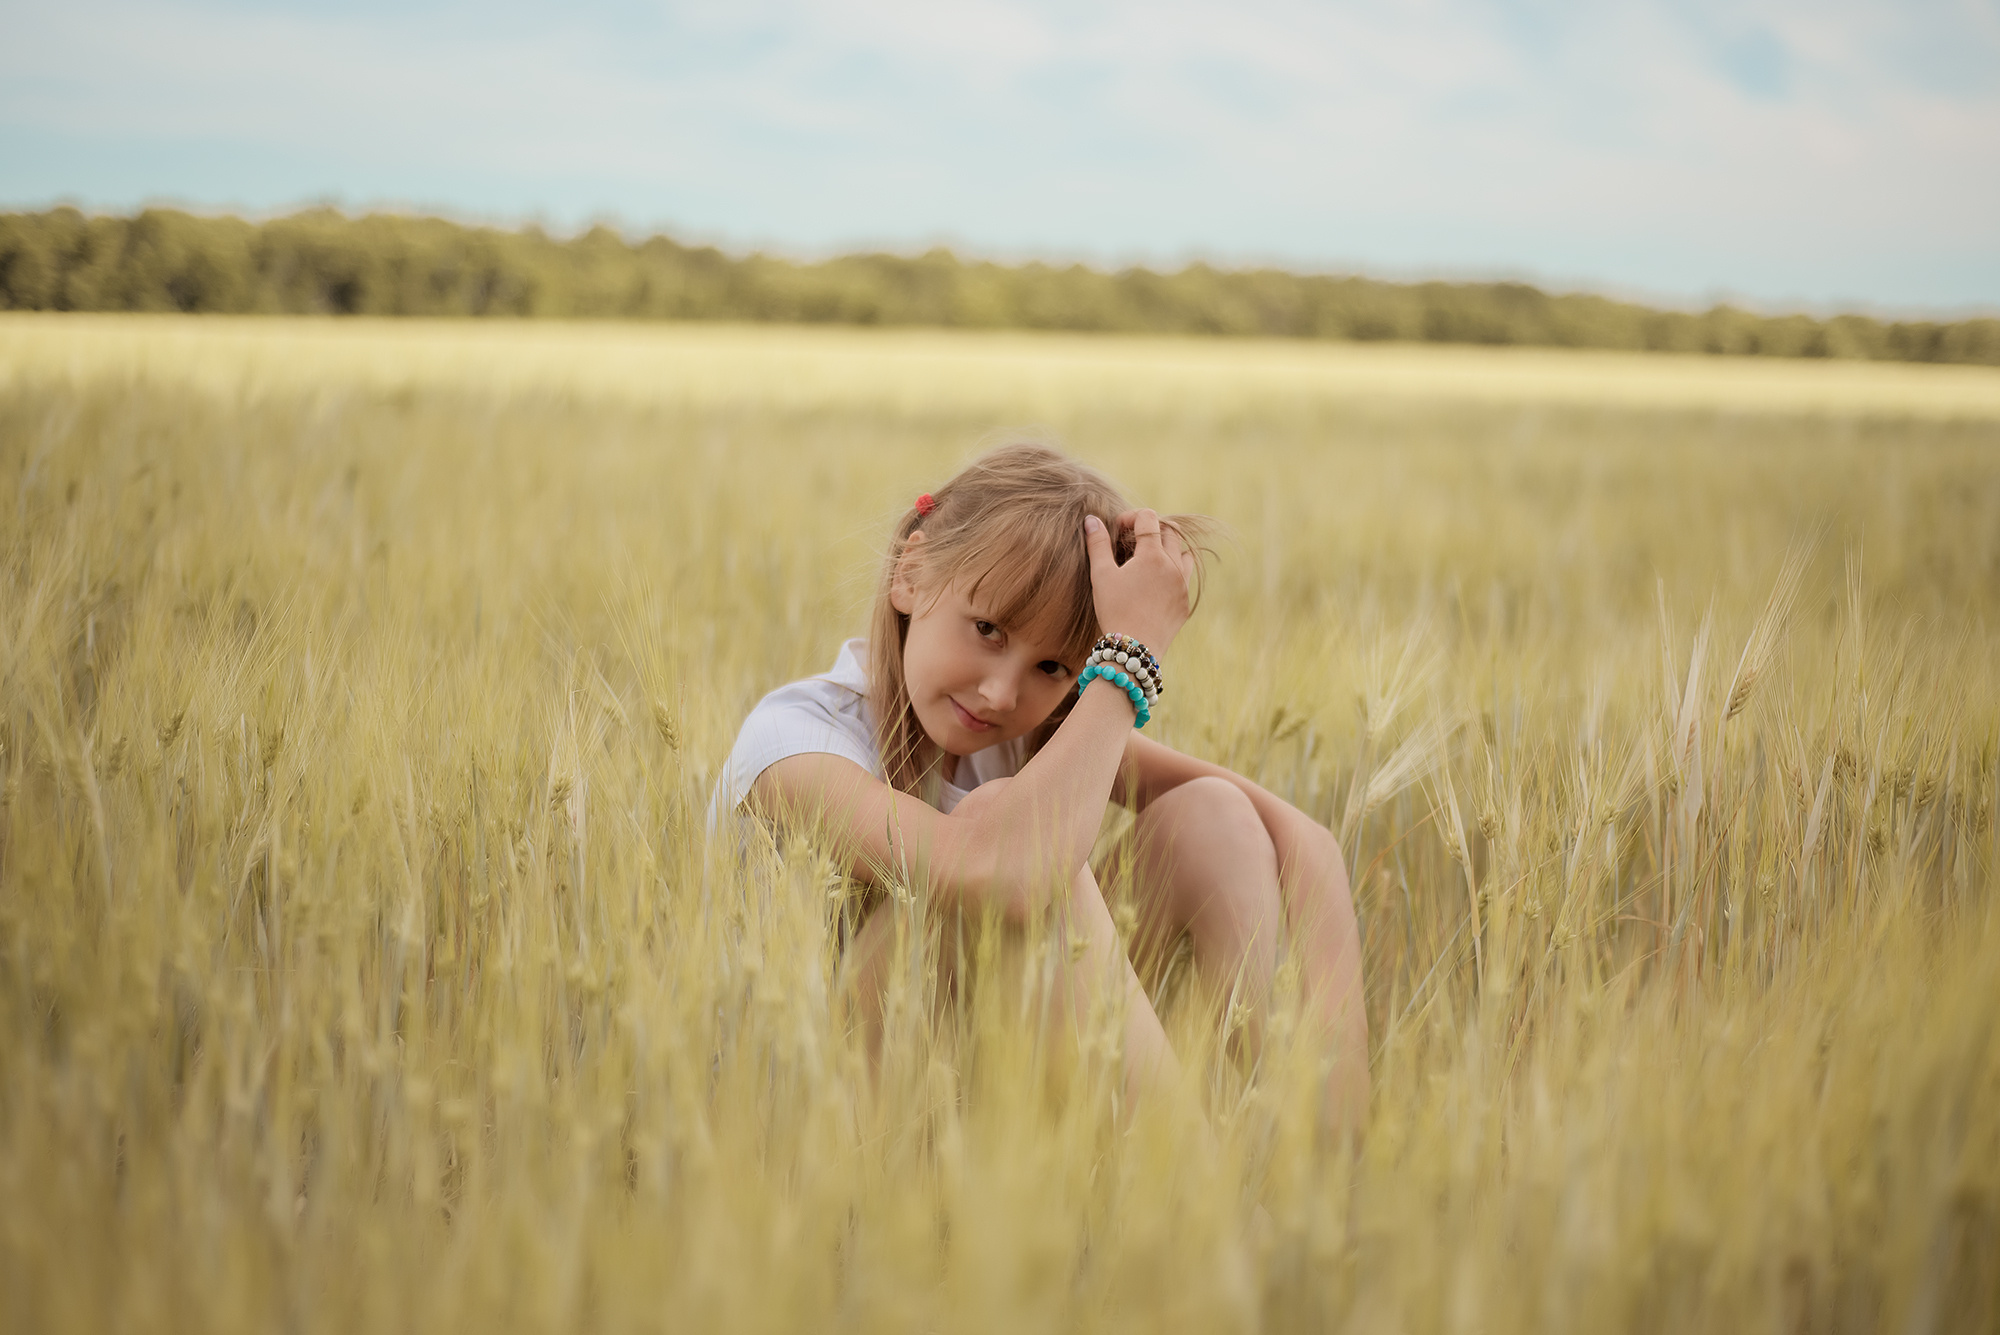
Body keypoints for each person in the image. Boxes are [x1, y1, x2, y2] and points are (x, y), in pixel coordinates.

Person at [709, 441, 1367, 1131]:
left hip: (971, 1087)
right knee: (1012, 830)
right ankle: (1200, 1208)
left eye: (1053, 665)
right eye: (988, 628)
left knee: (1214, 816)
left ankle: (1318, 1191)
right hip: (809, 1116)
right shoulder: (792, 745)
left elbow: (1305, 841)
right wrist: (1126, 667)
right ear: (911, 572)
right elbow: (1007, 876)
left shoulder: (1028, 730)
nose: (1000, 692)